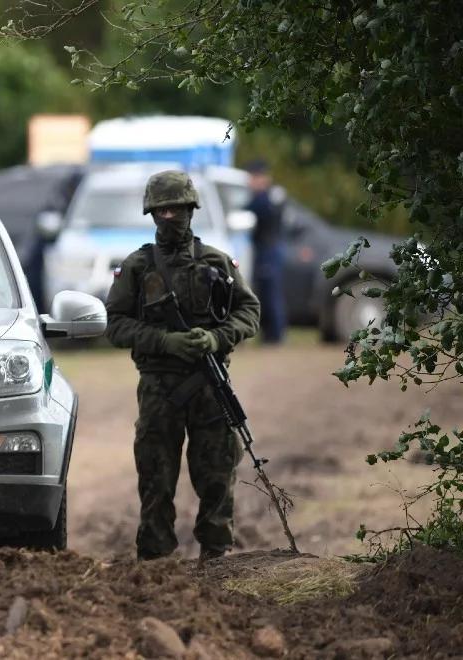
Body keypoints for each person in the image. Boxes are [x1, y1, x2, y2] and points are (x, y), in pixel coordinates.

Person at [104, 170, 260, 561]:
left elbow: (249, 310)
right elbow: (115, 323)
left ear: (192, 209)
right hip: (159, 387)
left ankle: (216, 553)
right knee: (155, 478)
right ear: (151, 214)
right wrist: (164, 341)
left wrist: (216, 338)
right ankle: (155, 559)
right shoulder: (138, 267)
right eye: (162, 211)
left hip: (209, 384)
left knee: (218, 474)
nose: (170, 217)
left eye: (177, 209)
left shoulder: (217, 261)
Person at [244, 159, 287, 344]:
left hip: (269, 250)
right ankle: (269, 335)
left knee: (271, 295)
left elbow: (252, 210)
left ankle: (275, 336)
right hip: (264, 250)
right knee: (264, 293)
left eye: (254, 178)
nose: (251, 182)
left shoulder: (265, 198)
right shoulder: (266, 197)